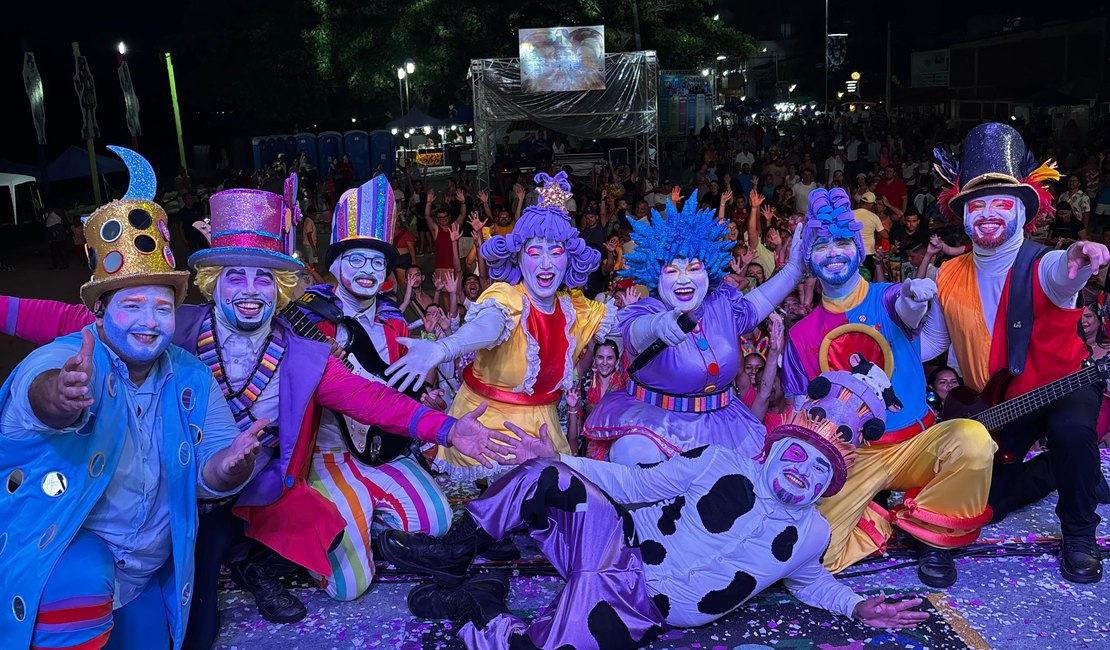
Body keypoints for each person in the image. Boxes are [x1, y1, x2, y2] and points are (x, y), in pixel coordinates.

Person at [0, 170, 511, 646]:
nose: (249, 291)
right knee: (195, 626)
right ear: (213, 282)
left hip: (262, 490)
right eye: (236, 277)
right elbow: (67, 322)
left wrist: (448, 430)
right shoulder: (167, 326)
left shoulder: (303, 355)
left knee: (336, 561)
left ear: (280, 289)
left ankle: (263, 559)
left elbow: (368, 398)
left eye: (264, 279)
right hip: (178, 502)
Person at [376, 366, 928, 650]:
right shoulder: (720, 460)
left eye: (818, 470)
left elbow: (811, 583)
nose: (800, 471)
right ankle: (459, 547)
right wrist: (558, 457)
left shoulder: (811, 535)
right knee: (546, 475)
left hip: (643, 609)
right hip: (614, 544)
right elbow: (629, 483)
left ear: (828, 484)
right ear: (778, 442)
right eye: (798, 454)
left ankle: (477, 609)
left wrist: (858, 609)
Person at [0, 146, 263, 650]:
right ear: (98, 313)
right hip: (60, 558)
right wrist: (60, 396)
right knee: (79, 576)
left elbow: (211, 473)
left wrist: (230, 467)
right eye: (133, 305)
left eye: (162, 307)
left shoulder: (189, 374)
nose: (150, 321)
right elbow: (36, 397)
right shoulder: (71, 357)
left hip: (144, 571)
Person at [782, 186, 995, 587]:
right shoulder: (802, 335)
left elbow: (907, 308)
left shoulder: (888, 295)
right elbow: (801, 411)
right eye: (822, 246)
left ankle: (933, 538)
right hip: (854, 458)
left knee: (973, 441)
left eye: (843, 243)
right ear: (809, 258)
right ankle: (880, 518)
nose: (833, 253)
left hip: (915, 446)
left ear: (859, 251)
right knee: (815, 559)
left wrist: (915, 298)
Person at [926, 122, 1110, 583]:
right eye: (977, 204)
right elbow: (932, 343)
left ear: (1022, 211)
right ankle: (1057, 474)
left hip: (1063, 385)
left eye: (1001, 203)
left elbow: (1061, 276)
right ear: (961, 213)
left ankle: (1080, 533)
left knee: (1072, 433)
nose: (988, 213)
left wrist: (1078, 260)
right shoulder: (947, 273)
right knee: (993, 502)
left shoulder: (1040, 260)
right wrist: (897, 319)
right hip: (1000, 403)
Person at [385, 171, 615, 478]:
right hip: (484, 430)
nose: (546, 264)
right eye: (535, 253)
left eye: (556, 253)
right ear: (518, 259)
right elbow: (488, 327)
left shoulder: (575, 307)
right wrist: (444, 348)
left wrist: (666, 320)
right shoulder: (505, 297)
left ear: (568, 260)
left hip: (543, 433)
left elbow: (626, 326)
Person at [582, 189, 805, 466]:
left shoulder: (722, 302)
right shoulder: (650, 309)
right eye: (672, 271)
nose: (683, 280)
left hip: (720, 423)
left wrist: (794, 269)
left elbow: (757, 303)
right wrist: (659, 324)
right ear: (656, 275)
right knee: (634, 454)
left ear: (709, 270)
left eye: (694, 268)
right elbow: (637, 333)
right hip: (655, 424)